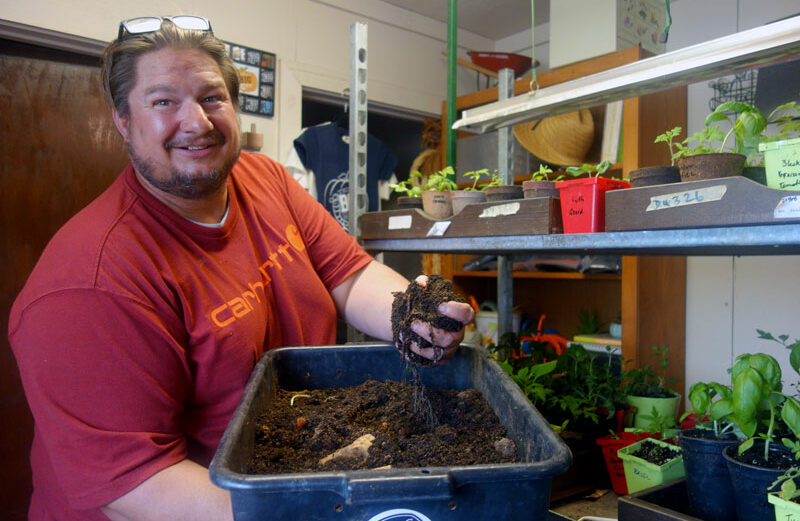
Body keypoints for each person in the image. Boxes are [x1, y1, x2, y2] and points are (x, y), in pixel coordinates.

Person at [8, 16, 474, 521]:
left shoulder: (264, 178)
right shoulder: (91, 283)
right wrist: (310, 512)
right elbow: (136, 486)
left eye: (211, 98)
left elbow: (351, 274)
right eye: (164, 101)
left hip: (286, 466)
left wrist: (412, 317)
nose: (197, 122)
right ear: (123, 119)